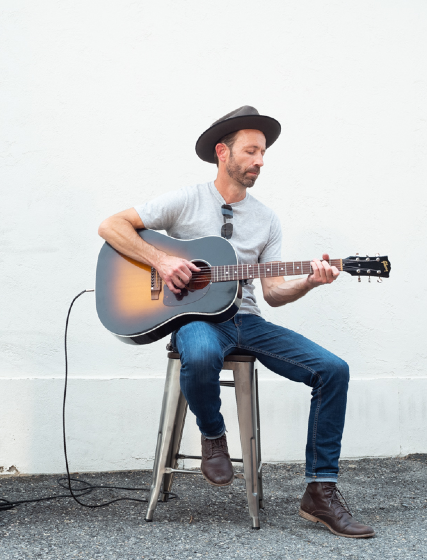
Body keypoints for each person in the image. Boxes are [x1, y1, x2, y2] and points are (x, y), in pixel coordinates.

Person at [97, 106, 374, 538]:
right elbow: (111, 225)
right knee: (202, 351)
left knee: (333, 369)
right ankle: (213, 435)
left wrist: (310, 283)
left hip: (247, 320)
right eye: (251, 151)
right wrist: (163, 260)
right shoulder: (186, 199)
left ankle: (320, 491)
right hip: (197, 321)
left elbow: (274, 293)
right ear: (223, 152)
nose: (260, 161)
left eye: (263, 153)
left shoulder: (266, 219)